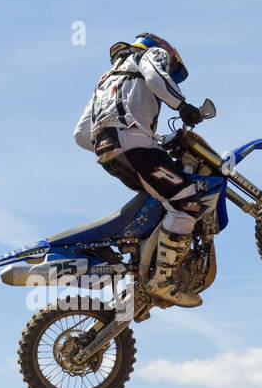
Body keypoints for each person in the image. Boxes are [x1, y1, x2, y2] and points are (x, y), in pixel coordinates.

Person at [73, 33, 208, 308]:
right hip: (134, 147)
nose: (169, 68)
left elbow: (80, 134)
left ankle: (142, 274)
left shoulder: (105, 79)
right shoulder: (150, 54)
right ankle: (162, 280)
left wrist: (137, 142)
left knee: (160, 205)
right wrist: (182, 106)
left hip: (109, 154)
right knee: (187, 204)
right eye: (171, 65)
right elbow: (157, 78)